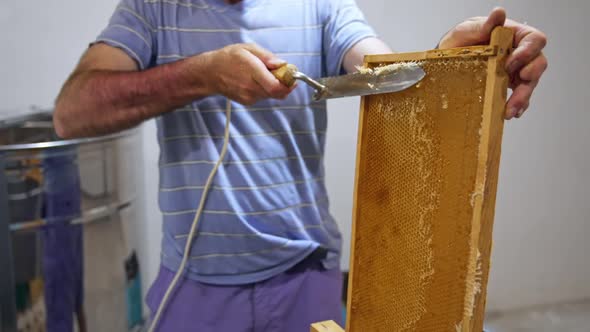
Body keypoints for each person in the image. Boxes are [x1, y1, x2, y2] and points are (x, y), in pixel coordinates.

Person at [54, 1, 548, 331]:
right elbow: (73, 112)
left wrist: (453, 61)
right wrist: (201, 75)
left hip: (306, 278)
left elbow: (383, 73)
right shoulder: (152, 8)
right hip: (193, 286)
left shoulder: (319, 3)